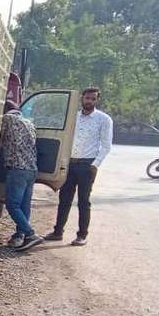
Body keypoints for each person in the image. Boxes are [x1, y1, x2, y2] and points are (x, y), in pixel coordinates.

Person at [46, 87, 112, 246]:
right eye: (87, 98)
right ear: (82, 98)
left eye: (93, 99)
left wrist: (94, 165)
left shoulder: (104, 119)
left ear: (97, 100)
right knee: (64, 199)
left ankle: (82, 235)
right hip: (70, 164)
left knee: (84, 201)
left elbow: (106, 146)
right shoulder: (73, 118)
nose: (89, 101)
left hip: (87, 165)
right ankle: (58, 232)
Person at [0, 106, 43, 251]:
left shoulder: (7, 119)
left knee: (12, 205)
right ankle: (20, 236)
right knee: (24, 205)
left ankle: (30, 234)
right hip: (32, 170)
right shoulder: (29, 123)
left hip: (17, 169)